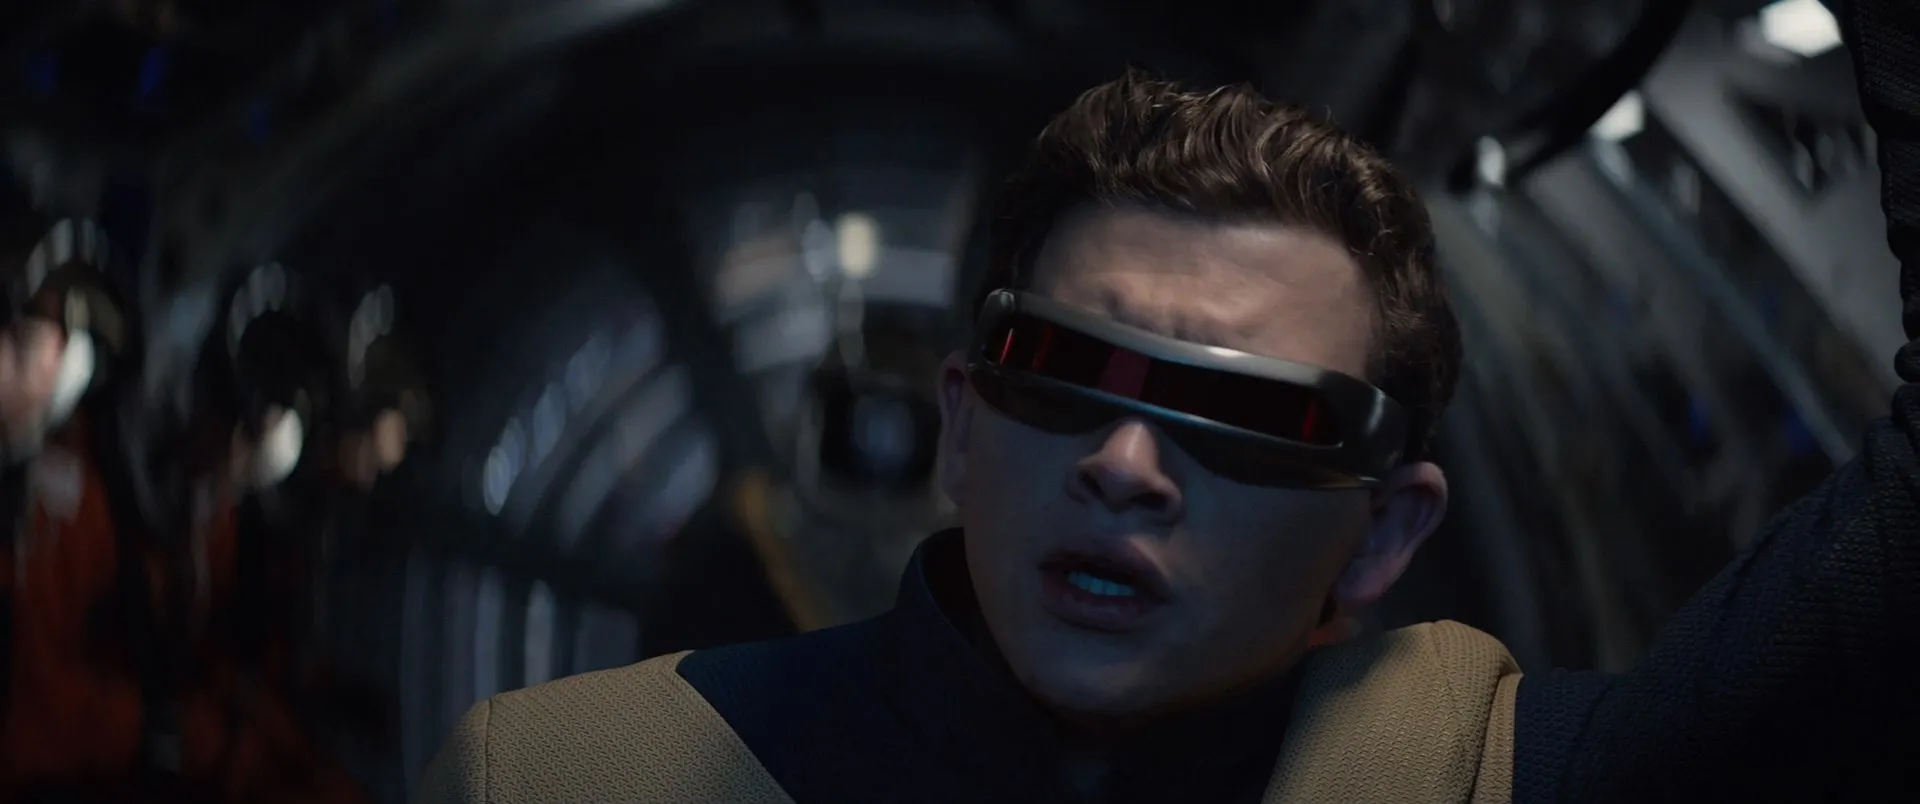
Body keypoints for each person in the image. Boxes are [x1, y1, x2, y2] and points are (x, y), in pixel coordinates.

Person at [416, 2, 1920, 801]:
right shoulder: (559, 783)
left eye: (1250, 418)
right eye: (1064, 377)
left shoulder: (1492, 778)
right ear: (963, 425)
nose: (1126, 464)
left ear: (1384, 535)